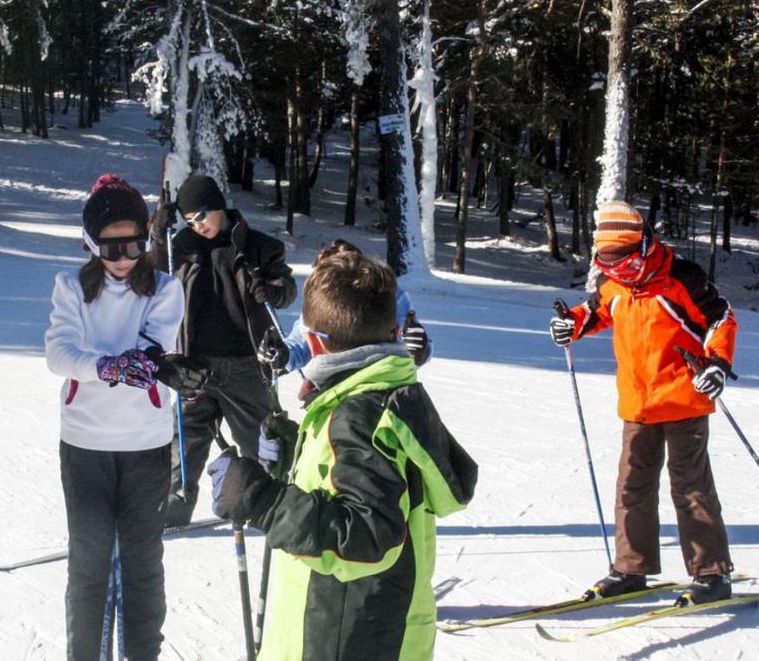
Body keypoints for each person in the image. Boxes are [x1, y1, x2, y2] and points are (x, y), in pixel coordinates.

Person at [206, 249, 477, 661]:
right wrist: (295, 460)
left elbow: (365, 536)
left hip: (342, 636)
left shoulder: (356, 416)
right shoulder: (390, 395)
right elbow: (361, 481)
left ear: (313, 341)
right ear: (395, 333)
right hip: (367, 627)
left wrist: (264, 500)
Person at [45, 174, 208, 660]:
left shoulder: (163, 287)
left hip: (145, 444)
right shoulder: (71, 286)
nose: (122, 259)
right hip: (85, 443)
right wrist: (106, 366)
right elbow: (58, 353)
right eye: (110, 248)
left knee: (142, 563)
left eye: (134, 245)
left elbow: (154, 346)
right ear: (89, 244)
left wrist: (167, 368)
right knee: (89, 563)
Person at [549, 200, 738, 606]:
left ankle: (711, 574)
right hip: (638, 403)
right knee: (631, 486)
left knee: (690, 487)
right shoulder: (616, 284)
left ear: (646, 246)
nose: (621, 274)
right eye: (610, 266)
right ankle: (631, 569)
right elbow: (595, 311)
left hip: (685, 399)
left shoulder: (680, 279)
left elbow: (721, 318)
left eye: (628, 265)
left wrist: (718, 363)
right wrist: (572, 324)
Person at [150, 174, 296, 527]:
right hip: (194, 365)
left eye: (201, 216)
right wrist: (158, 232)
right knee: (184, 444)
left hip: (245, 363)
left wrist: (274, 294)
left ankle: (273, 509)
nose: (197, 226)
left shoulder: (259, 246)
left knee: (261, 442)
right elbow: (152, 274)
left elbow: (287, 287)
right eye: (189, 221)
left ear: (219, 206)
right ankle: (171, 513)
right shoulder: (179, 247)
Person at [255, 239, 432, 378]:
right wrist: (283, 355)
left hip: (383, 383)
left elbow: (407, 341)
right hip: (335, 387)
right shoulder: (323, 299)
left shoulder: (387, 294)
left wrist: (419, 349)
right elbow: (302, 343)